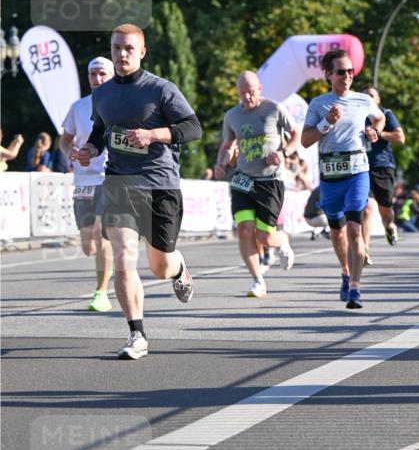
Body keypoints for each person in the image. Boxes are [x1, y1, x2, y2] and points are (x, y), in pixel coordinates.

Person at [71, 23, 201, 360]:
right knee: (124, 255)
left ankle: (179, 268)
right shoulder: (102, 94)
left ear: (142, 52)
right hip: (119, 182)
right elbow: (100, 133)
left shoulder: (160, 89)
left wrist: (153, 135)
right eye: (116, 48)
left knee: (160, 266)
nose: (122, 54)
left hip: (160, 185)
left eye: (129, 48)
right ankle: (136, 334)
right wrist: (90, 150)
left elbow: (193, 127)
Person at [302, 48, 384, 309]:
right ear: (328, 75)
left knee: (354, 228)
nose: (347, 75)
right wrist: (326, 123)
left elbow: (380, 118)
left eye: (351, 71)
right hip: (330, 173)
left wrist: (374, 131)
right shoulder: (318, 104)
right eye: (341, 71)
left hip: (357, 169)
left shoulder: (362, 100)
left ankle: (356, 289)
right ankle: (345, 273)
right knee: (337, 231)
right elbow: (305, 141)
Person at [214, 71, 298, 298]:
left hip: (270, 180)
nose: (247, 98)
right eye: (242, 94)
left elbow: (295, 134)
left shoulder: (274, 109)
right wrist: (221, 164)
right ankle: (257, 280)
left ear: (260, 88)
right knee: (243, 230)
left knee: (264, 236)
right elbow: (228, 144)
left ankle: (282, 241)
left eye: (251, 92)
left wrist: (284, 152)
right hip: (243, 179)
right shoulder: (232, 115)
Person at [60, 57, 115, 311]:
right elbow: (65, 139)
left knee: (102, 234)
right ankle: (105, 267)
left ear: (112, 75)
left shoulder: (121, 105)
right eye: (93, 74)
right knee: (87, 245)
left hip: (110, 177)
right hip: (83, 180)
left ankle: (101, 293)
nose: (97, 79)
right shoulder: (78, 107)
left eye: (102, 74)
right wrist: (68, 150)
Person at [361, 85, 405, 262]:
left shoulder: (386, 114)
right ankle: (364, 251)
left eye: (372, 95)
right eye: (365, 96)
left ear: (378, 99)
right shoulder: (357, 115)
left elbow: (400, 138)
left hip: (383, 166)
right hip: (362, 167)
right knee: (367, 209)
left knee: (385, 210)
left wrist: (378, 132)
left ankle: (389, 226)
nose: (369, 99)